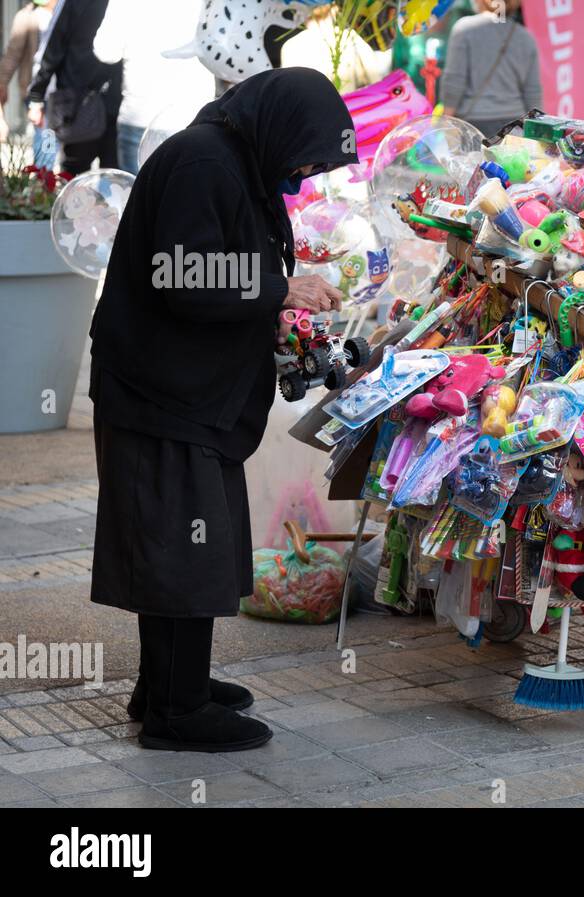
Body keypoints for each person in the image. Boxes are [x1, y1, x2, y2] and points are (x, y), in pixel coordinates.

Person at [89, 68, 357, 753]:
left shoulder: (237, 161)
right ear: (279, 128)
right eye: (306, 156)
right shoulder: (202, 161)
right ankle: (176, 713)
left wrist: (277, 304)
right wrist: (280, 288)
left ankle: (171, 685)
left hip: (188, 396)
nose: (303, 171)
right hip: (161, 395)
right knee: (183, 553)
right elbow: (181, 272)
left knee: (187, 549)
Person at [91, 0, 216, 174]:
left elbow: (106, 50)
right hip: (194, 113)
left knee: (141, 197)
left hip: (141, 113)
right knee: (189, 195)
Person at [27, 0, 121, 174]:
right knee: (114, 179)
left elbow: (53, 50)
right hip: (108, 102)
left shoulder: (73, 3)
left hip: (77, 103)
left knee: (73, 175)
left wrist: (36, 96)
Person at [439, 0, 542, 138]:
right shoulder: (525, 37)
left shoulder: (465, 29)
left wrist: (446, 123)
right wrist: (536, 130)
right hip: (515, 126)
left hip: (473, 124)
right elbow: (532, 91)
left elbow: (454, 81)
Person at [281, 3, 388, 94]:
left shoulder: (290, 46)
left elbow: (288, 92)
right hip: (348, 112)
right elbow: (375, 80)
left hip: (312, 116)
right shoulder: (350, 37)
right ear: (335, 9)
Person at [0, 0, 55, 141]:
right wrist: (2, 82)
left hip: (62, 90)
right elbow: (12, 54)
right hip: (36, 90)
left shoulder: (65, 12)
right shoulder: (27, 17)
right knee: (46, 139)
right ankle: (44, 163)